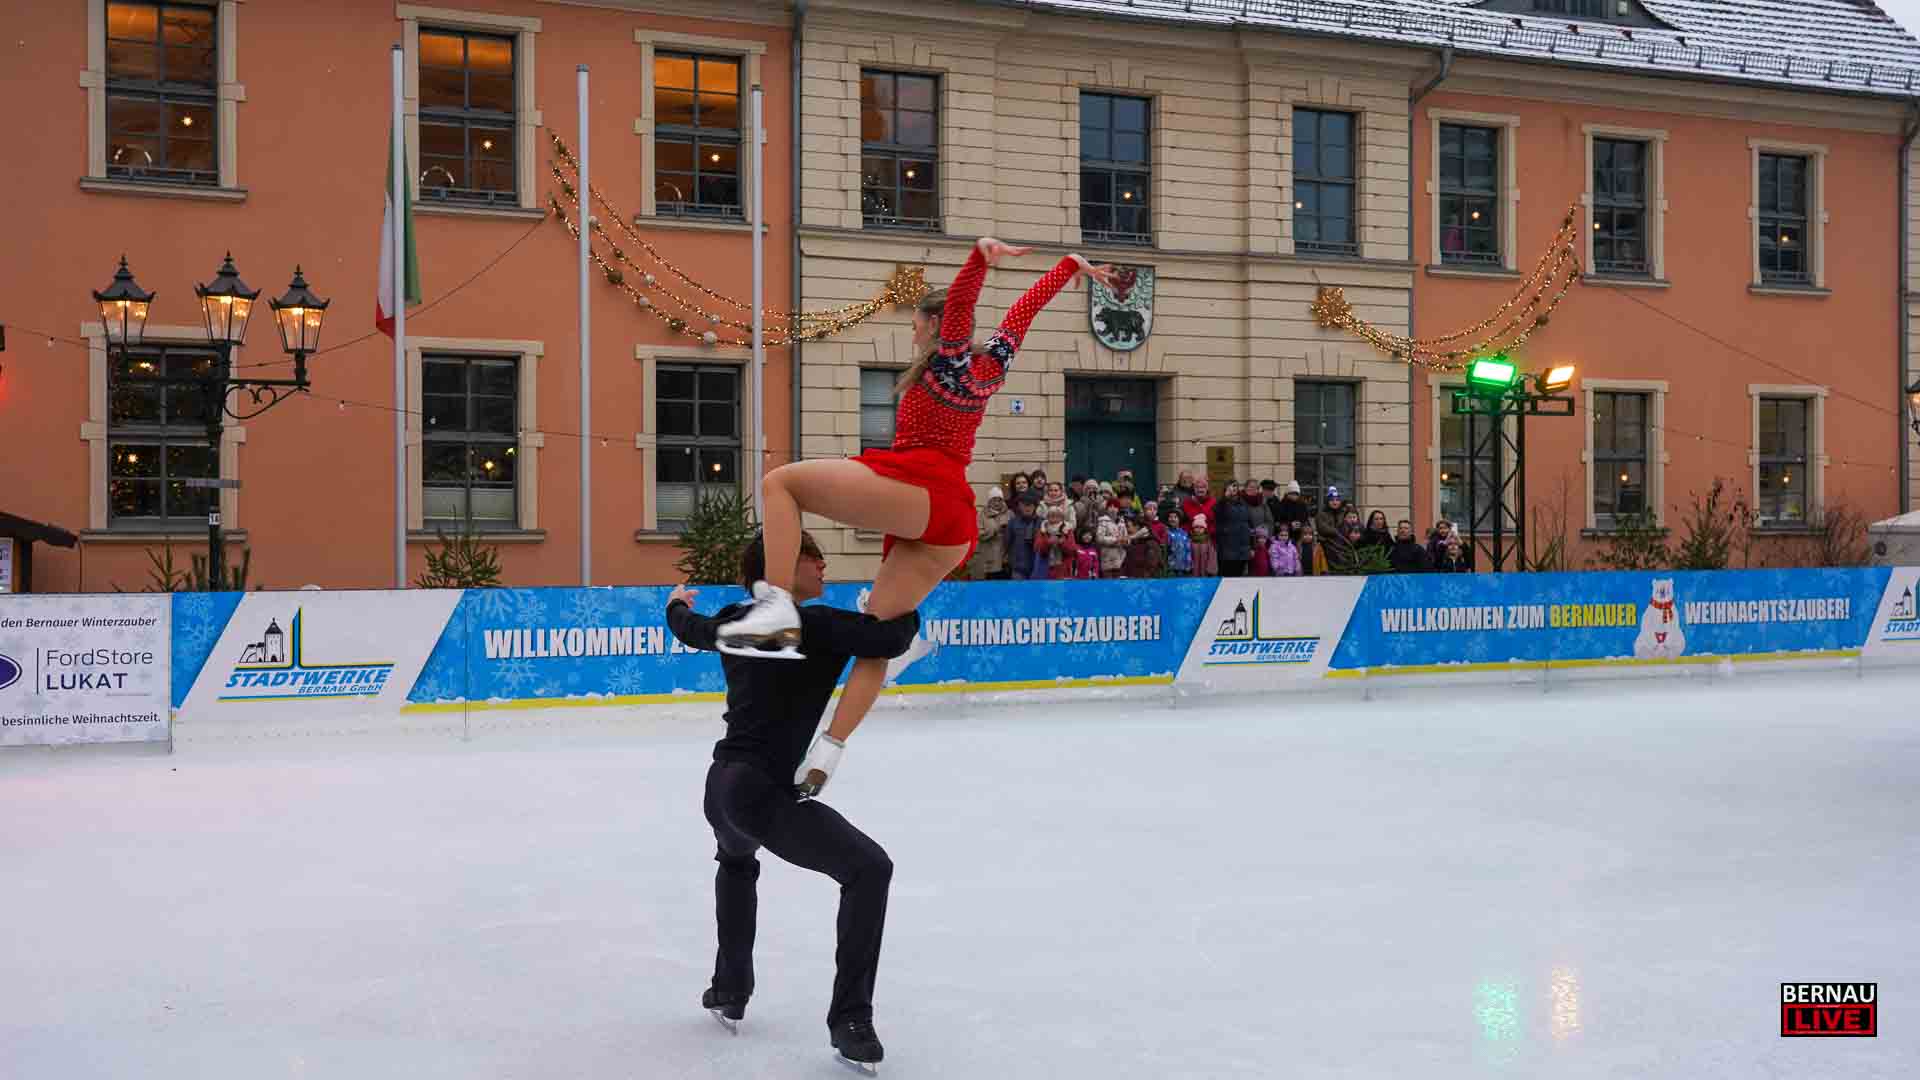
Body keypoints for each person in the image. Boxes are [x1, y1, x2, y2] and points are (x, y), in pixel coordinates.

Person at [717, 235, 1117, 666]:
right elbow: (1023, 313)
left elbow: (961, 307)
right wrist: (1069, 264)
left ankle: (777, 610)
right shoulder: (993, 363)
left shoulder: (952, 361)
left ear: (931, 324)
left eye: (914, 326)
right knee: (878, 620)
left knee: (780, 483)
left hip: (914, 476)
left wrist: (978, 261)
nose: (913, 336)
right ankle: (825, 712)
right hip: (944, 492)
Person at [666, 531, 921, 1073]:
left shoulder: (735, 618)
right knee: (869, 870)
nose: (824, 563)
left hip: (721, 787)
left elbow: (690, 629)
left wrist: (674, 604)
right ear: (781, 563)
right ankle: (850, 1019)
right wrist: (908, 599)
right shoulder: (814, 623)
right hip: (760, 791)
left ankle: (729, 987)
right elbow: (892, 639)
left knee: (736, 862)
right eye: (811, 555)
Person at [1213, 480, 1254, 577]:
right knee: (1227, 577)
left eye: (1235, 486)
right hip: (1228, 549)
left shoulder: (1243, 504)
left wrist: (1252, 546)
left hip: (1243, 550)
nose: (1234, 489)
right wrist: (1225, 497)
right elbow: (1217, 513)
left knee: (1239, 579)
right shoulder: (1221, 504)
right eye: (1231, 486)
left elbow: (1250, 526)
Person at [967, 486, 1010, 581]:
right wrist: (995, 530)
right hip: (989, 558)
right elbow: (978, 533)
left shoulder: (1008, 513)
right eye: (994, 500)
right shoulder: (981, 515)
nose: (997, 503)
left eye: (999, 500)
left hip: (1005, 559)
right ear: (989, 501)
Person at [1005, 493, 1041, 581]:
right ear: (1019, 507)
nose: (1027, 508)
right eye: (1024, 505)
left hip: (1037, 567)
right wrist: (1011, 561)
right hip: (1018, 568)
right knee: (1018, 593)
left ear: (1035, 506)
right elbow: (1007, 542)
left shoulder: (1042, 522)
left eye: (1030, 505)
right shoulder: (1013, 522)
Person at [1035, 504, 1075, 579]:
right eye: (1051, 515)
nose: (1054, 518)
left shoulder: (1067, 530)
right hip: (1045, 567)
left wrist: (1062, 543)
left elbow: (1072, 549)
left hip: (1063, 567)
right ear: (1047, 517)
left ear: (1062, 517)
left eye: (1057, 515)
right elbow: (1038, 548)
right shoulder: (1043, 530)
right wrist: (1048, 542)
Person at [1189, 513, 1219, 577]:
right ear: (1193, 528)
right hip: (1193, 570)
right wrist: (1188, 566)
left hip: (1205, 570)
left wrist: (1211, 569)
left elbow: (1212, 556)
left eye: (1201, 527)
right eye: (1196, 527)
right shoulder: (1190, 541)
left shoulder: (1208, 541)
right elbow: (1188, 554)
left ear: (1204, 529)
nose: (1199, 529)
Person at [1165, 509, 1193, 576]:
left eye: (1175, 517)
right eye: (1170, 517)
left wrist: (1189, 564)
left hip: (1184, 567)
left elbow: (1188, 550)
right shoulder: (1166, 532)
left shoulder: (1184, 533)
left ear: (1179, 519)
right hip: (1171, 567)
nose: (1172, 519)